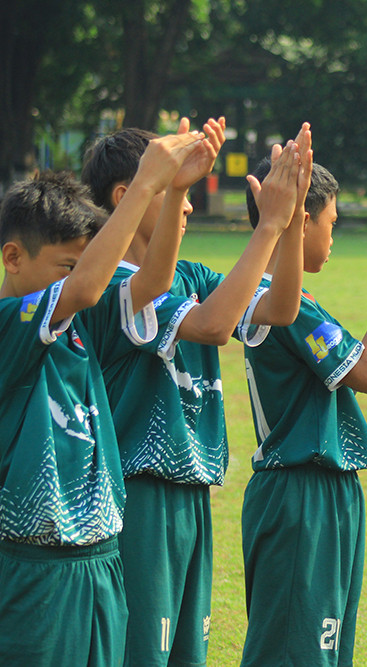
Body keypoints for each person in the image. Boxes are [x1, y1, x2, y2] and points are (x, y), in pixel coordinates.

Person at [80, 122, 307, 666]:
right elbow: (209, 326)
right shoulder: (111, 286)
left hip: (190, 493)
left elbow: (280, 309)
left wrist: (291, 220)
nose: (186, 204)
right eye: (175, 187)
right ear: (127, 195)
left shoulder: (190, 274)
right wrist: (269, 225)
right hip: (140, 495)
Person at [0, 130, 204, 665]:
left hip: (101, 557)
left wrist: (176, 192)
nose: (84, 277)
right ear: (13, 257)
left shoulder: (80, 323)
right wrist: (145, 185)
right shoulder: (9, 323)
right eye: (68, 266)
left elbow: (153, 282)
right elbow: (88, 288)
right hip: (35, 563)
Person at [239, 144, 367, 666]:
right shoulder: (283, 306)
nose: (333, 237)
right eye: (330, 222)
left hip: (326, 493)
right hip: (298, 496)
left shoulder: (298, 302)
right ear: (300, 222)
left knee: (326, 649)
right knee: (293, 652)